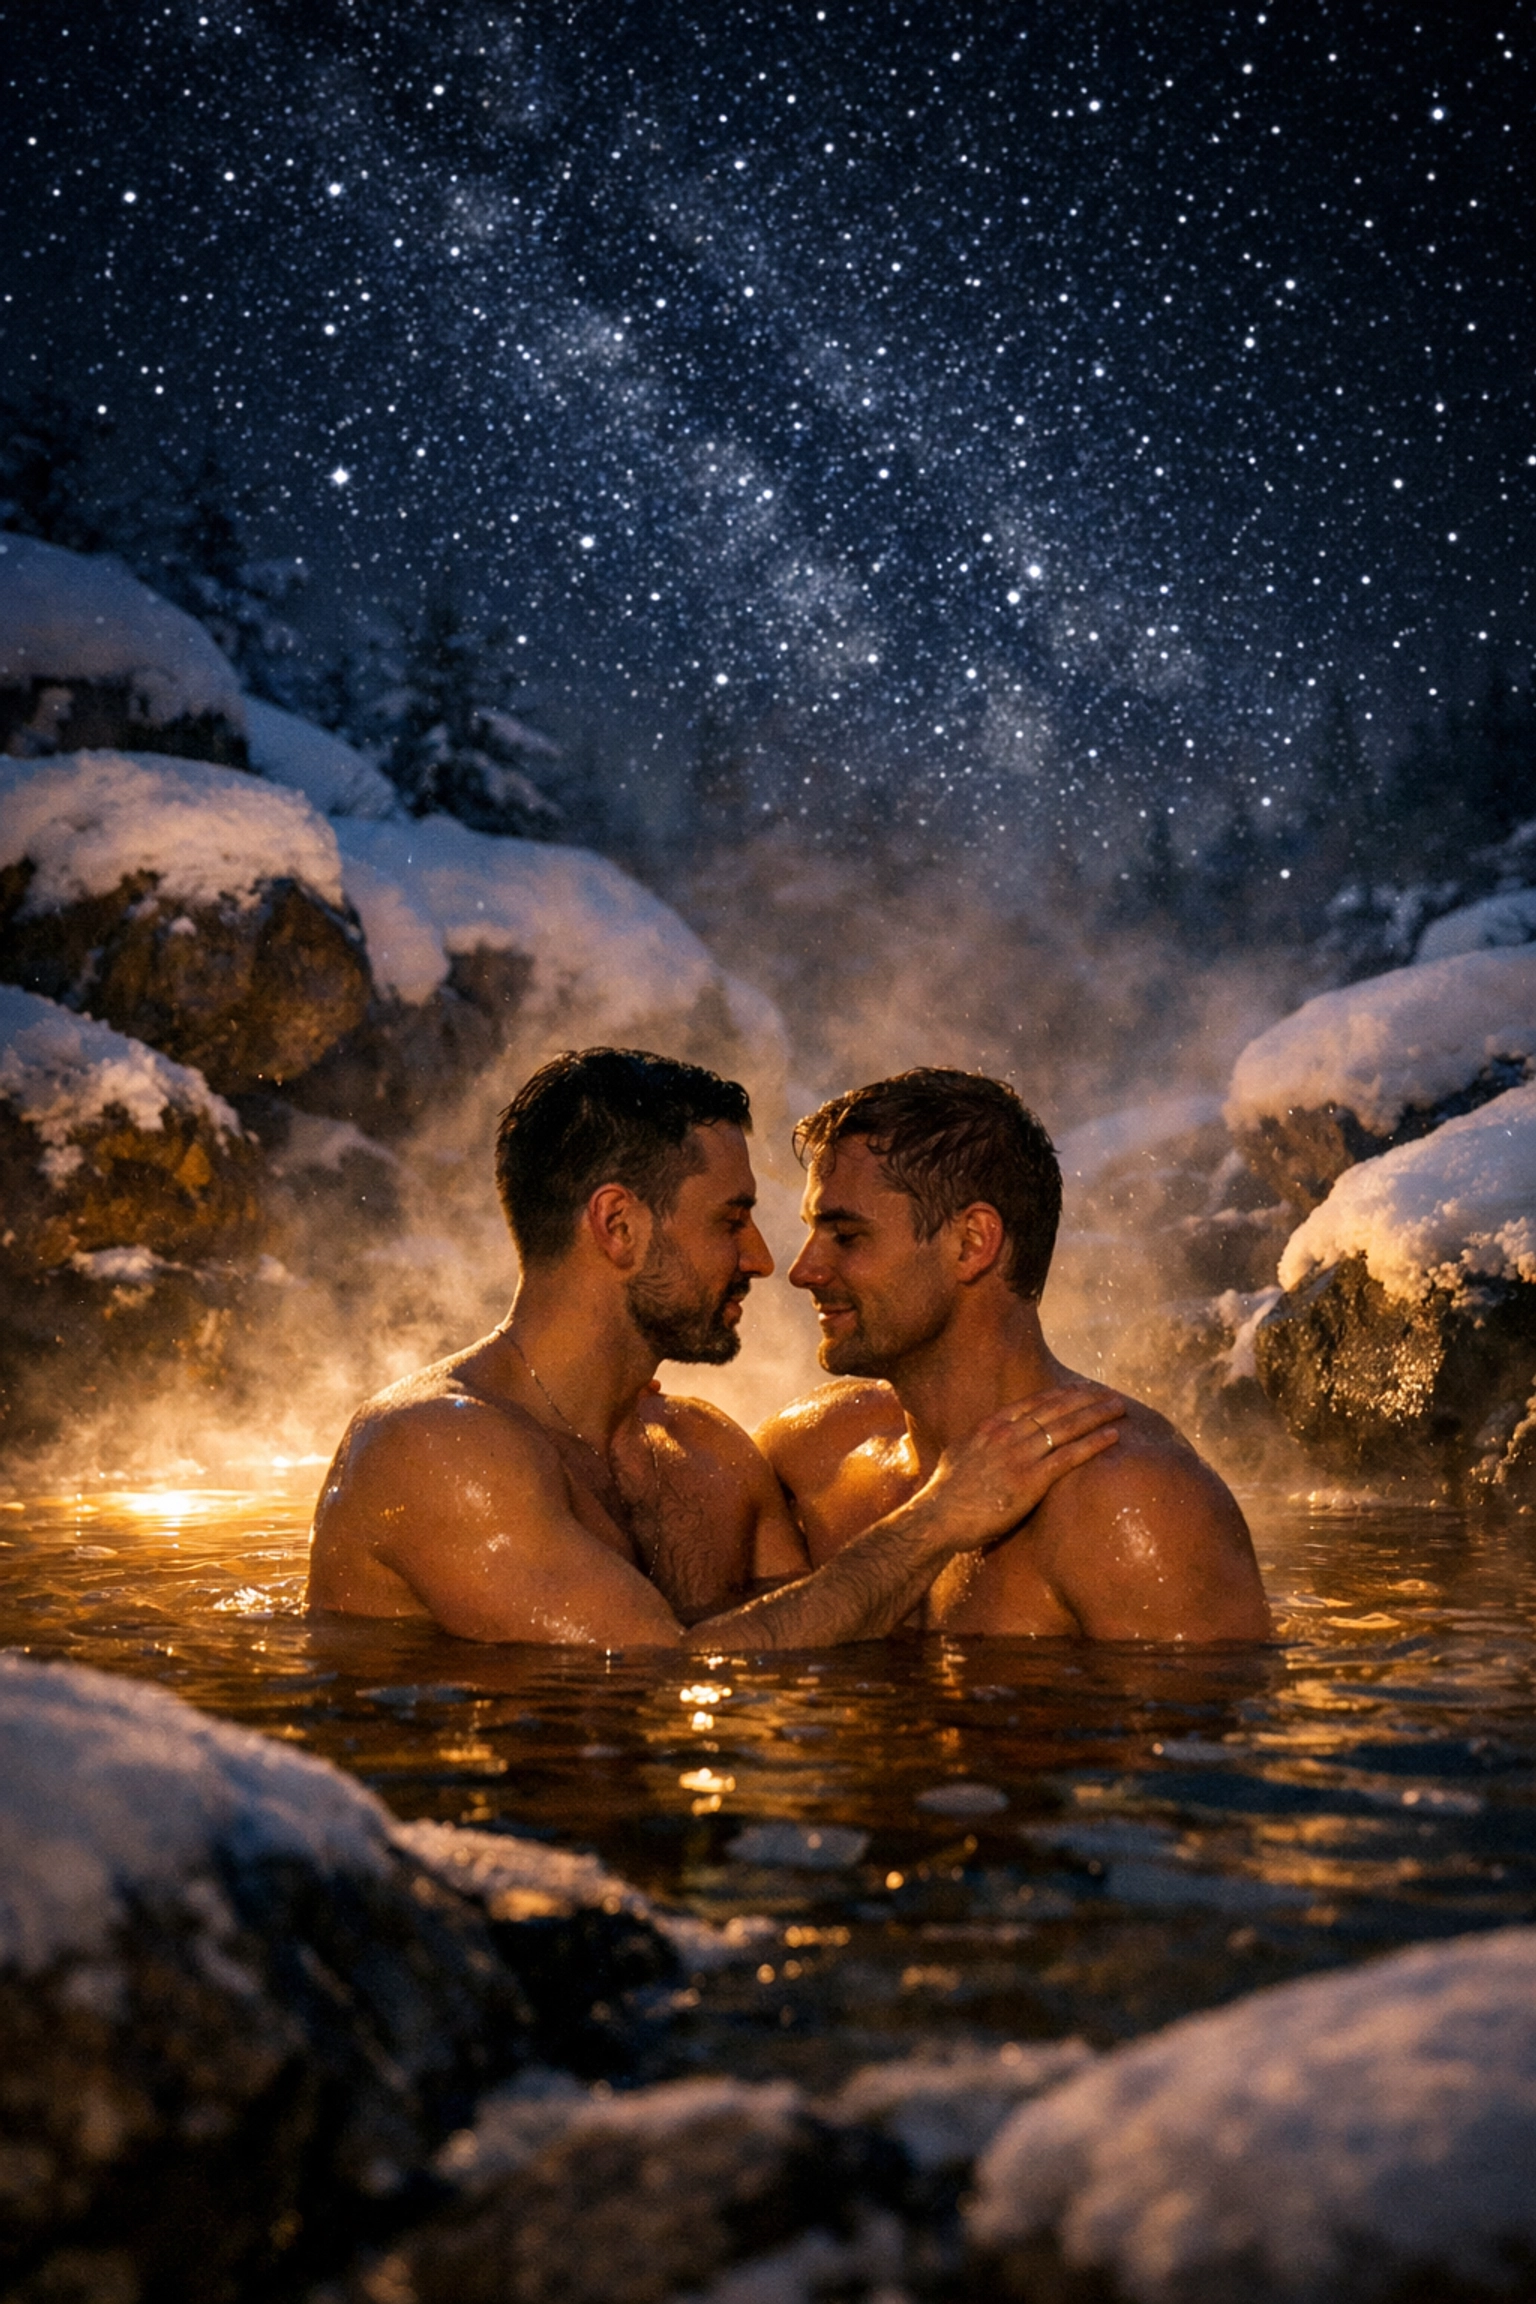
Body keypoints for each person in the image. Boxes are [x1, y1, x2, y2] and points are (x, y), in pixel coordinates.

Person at [307, 1047, 1125, 1649]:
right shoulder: (433, 1447)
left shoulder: (711, 1457)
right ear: (618, 1226)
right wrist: (939, 1519)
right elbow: (664, 1675)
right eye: (730, 1221)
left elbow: (826, 1643)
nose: (765, 1261)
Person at [756, 1069, 1272, 1642]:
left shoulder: (1133, 1503)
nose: (803, 1270)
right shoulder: (811, 1455)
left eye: (847, 1236)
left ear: (972, 1243)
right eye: (812, 1232)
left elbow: (1214, 1703)